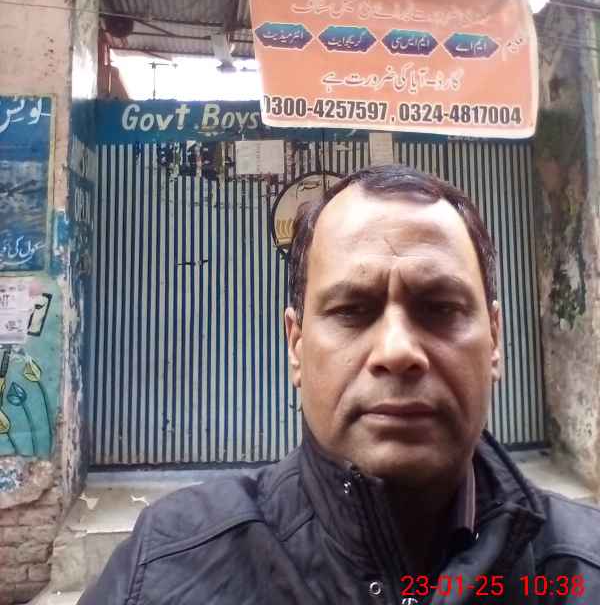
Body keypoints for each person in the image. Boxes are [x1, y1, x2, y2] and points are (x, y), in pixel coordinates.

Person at [79, 165, 600, 604]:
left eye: (440, 308)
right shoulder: (165, 570)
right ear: (296, 346)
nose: (397, 351)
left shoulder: (583, 571)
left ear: (494, 340)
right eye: (352, 310)